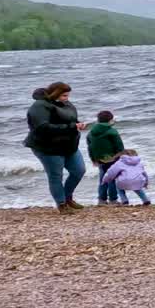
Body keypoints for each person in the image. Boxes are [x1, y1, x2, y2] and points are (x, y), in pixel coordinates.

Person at [23, 82, 87, 212]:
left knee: (79, 171)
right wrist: (71, 127)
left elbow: (70, 119)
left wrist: (78, 124)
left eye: (67, 95)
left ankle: (67, 197)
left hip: (69, 145)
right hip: (47, 147)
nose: (67, 98)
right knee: (56, 176)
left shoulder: (66, 104)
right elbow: (43, 128)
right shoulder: (39, 106)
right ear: (55, 93)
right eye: (64, 95)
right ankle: (61, 204)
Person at [86, 110, 125, 205]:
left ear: (98, 120)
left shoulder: (91, 133)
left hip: (99, 159)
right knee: (112, 178)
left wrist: (93, 159)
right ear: (110, 120)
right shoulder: (112, 131)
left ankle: (102, 199)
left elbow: (90, 147)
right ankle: (113, 199)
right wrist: (122, 155)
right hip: (112, 158)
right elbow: (119, 146)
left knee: (103, 178)